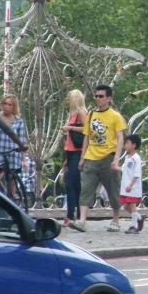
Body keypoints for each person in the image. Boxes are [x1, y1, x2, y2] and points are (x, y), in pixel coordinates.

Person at [69, 85, 127, 233]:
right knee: (86, 189)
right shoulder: (91, 115)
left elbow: (120, 138)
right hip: (91, 158)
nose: (98, 99)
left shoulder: (116, 116)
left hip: (108, 157)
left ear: (109, 98)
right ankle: (82, 220)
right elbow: (87, 137)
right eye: (96, 96)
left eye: (101, 96)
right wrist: (82, 158)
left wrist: (116, 159)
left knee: (113, 189)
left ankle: (115, 219)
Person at [0, 95, 29, 198]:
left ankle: (12, 202)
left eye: (10, 104)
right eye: (5, 104)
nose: (7, 107)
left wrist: (24, 159)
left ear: (14, 107)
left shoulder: (19, 121)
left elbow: (22, 140)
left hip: (13, 155)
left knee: (12, 186)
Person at [60, 89, 87, 227]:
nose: (67, 100)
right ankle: (75, 215)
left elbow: (87, 130)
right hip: (70, 152)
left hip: (78, 152)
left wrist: (69, 128)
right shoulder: (73, 114)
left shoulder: (82, 112)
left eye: (69, 98)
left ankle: (71, 216)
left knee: (71, 184)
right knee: (73, 185)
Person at [117, 134, 145, 234]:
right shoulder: (127, 157)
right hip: (126, 186)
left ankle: (134, 226)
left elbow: (137, 174)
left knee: (132, 206)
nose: (125, 145)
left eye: (127, 143)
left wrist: (131, 185)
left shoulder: (136, 158)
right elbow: (124, 169)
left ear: (134, 145)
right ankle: (139, 218)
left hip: (132, 187)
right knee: (125, 206)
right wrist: (115, 167)